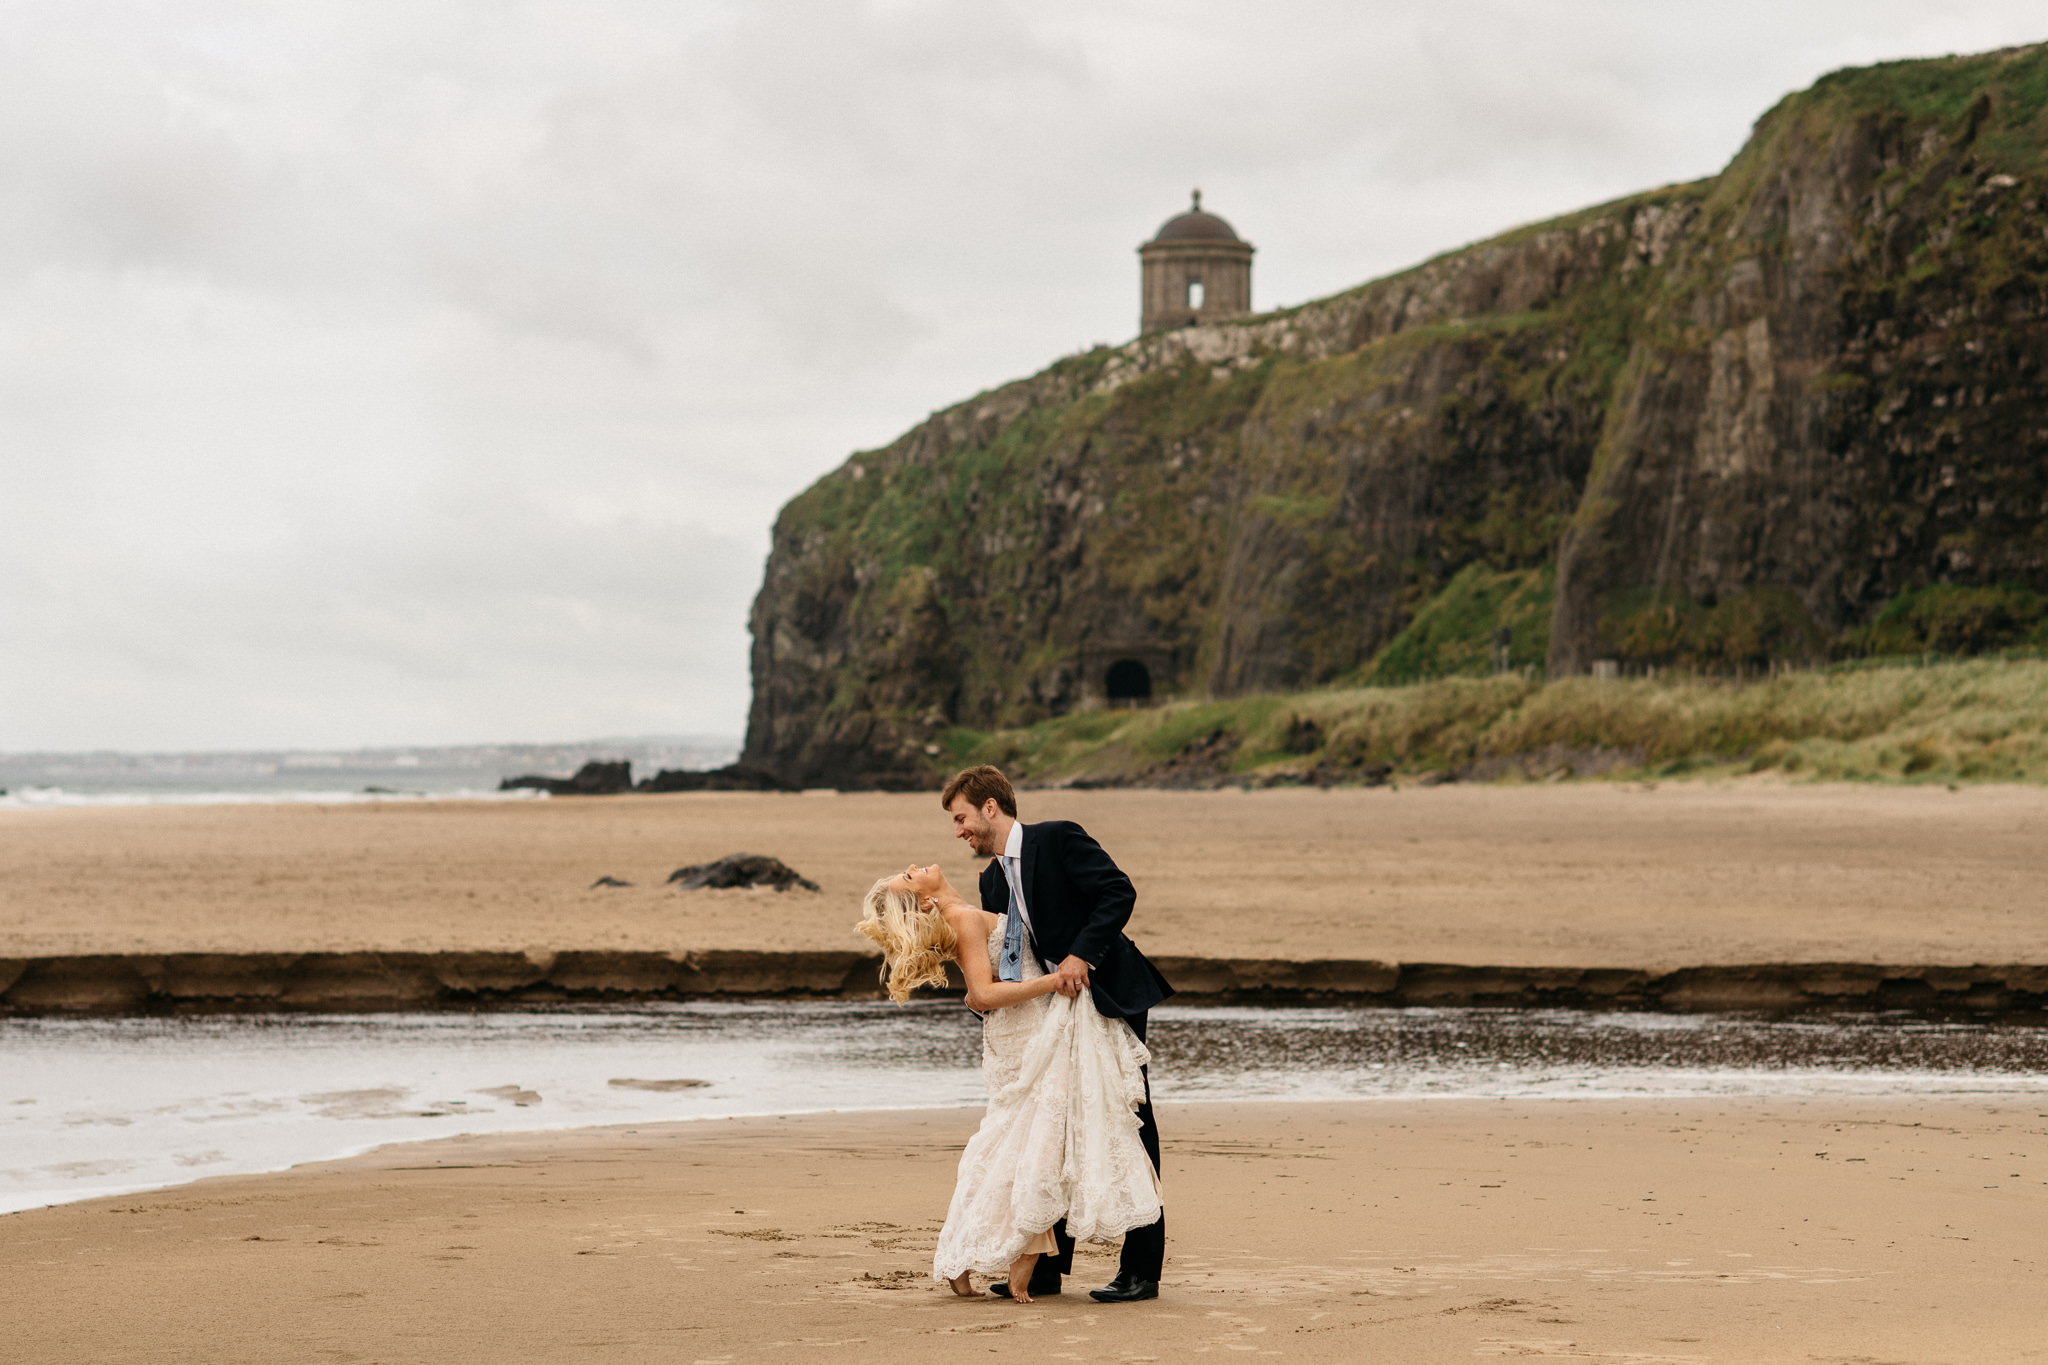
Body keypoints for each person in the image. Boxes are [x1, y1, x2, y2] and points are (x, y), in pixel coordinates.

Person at [858, 862, 1160, 1303]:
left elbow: (995, 975)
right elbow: (982, 993)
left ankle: (983, 1259)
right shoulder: (960, 916)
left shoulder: (966, 907)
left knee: (1019, 1143)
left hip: (1024, 1029)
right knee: (1025, 1145)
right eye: (906, 878)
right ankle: (1003, 1257)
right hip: (1030, 1033)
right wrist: (1053, 981)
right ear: (924, 901)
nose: (909, 868)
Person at [941, 764, 1173, 1303]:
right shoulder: (992, 880)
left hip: (1110, 995)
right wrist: (985, 997)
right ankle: (1046, 1267)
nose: (959, 832)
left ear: (990, 807)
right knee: (1052, 1129)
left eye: (962, 818)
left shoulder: (1059, 837)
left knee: (1131, 1123)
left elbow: (1118, 892)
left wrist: (1080, 954)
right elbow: (1013, 959)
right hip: (1052, 1014)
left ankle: (1142, 1271)